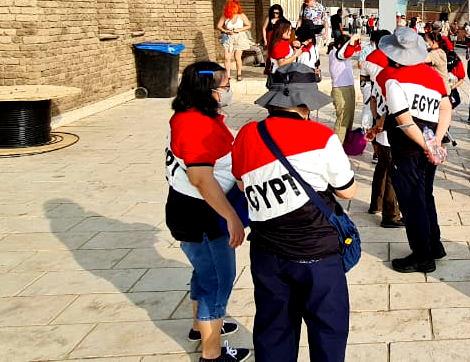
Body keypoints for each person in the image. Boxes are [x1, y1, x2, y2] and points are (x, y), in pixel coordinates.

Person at [231, 66, 356, 362]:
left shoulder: (248, 133)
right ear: (305, 103)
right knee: (328, 330)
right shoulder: (321, 136)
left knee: (273, 329)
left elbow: (240, 182)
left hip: (267, 251)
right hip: (317, 254)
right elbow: (347, 191)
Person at [166, 62, 251, 362]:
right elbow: (200, 178)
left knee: (204, 272)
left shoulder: (192, 116)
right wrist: (231, 216)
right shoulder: (195, 125)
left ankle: (198, 326)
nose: (228, 90)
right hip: (203, 214)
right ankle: (212, 354)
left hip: (192, 210)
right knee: (218, 280)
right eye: (225, 86)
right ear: (208, 90)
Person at [377, 28, 452, 272]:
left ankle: (422, 256)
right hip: (429, 142)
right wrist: (436, 143)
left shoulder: (393, 79)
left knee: (412, 201)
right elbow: (445, 109)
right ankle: (434, 244)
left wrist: (426, 146)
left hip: (408, 149)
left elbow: (404, 121)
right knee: (425, 195)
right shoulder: (432, 76)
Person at [361, 30, 402, 228]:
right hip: (391, 129)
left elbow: (373, 100)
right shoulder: (396, 79)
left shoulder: (381, 76)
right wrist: (381, 123)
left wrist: (376, 119)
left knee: (382, 167)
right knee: (393, 174)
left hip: (381, 126)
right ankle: (390, 215)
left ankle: (375, 204)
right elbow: (396, 108)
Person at [327, 35, 361, 139]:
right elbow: (347, 52)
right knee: (343, 119)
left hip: (349, 87)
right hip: (340, 89)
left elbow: (356, 49)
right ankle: (337, 147)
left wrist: (357, 40)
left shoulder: (342, 52)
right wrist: (350, 42)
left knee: (350, 117)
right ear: (340, 45)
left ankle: (346, 143)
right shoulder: (335, 53)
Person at [217, 0, 254, 82]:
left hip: (239, 37)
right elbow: (219, 26)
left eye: (236, 8)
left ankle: (239, 73)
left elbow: (248, 25)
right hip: (229, 37)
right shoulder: (225, 15)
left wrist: (240, 29)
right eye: (233, 8)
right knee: (227, 57)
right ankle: (228, 75)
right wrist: (226, 31)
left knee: (237, 57)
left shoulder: (241, 15)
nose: (235, 10)